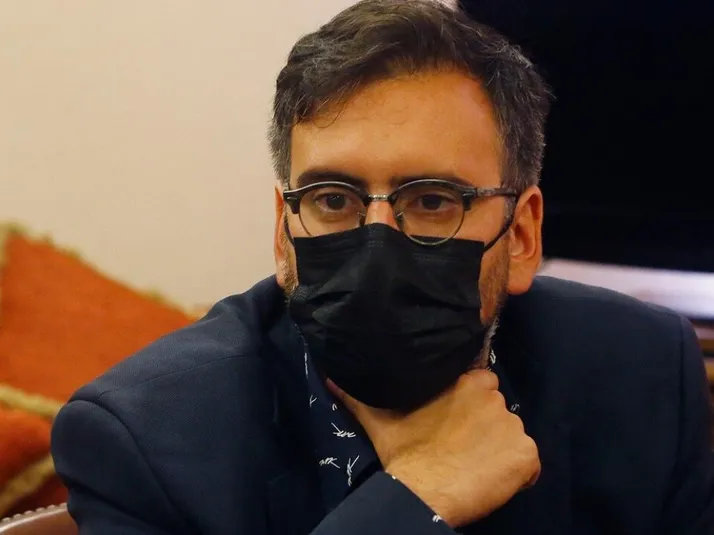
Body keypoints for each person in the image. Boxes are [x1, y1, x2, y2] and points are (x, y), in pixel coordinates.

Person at [51, 1, 714, 533]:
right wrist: (416, 497)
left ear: (521, 234)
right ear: (284, 230)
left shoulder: (642, 372)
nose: (377, 248)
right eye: (333, 199)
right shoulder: (145, 439)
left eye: (432, 201)